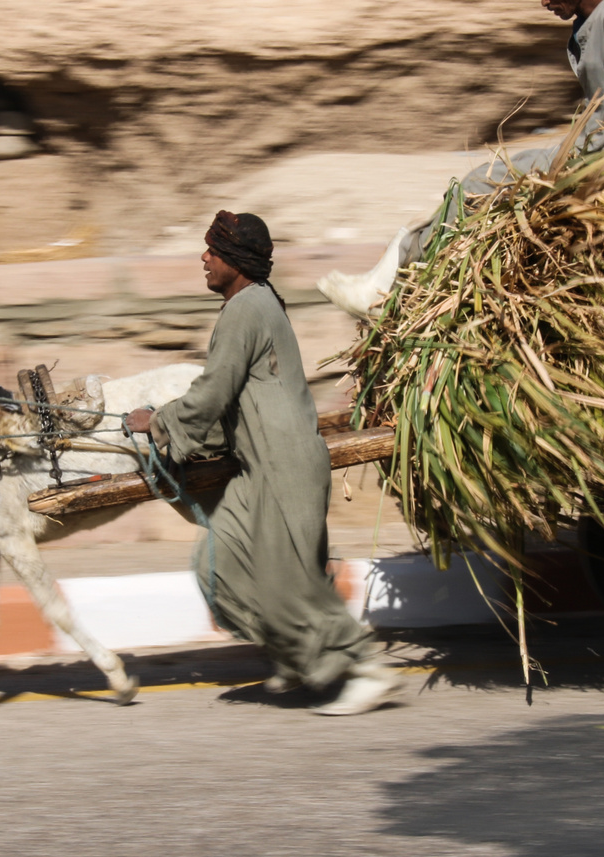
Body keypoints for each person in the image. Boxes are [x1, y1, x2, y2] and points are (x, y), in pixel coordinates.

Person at [317, 0, 604, 318]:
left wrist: (579, 167)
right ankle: (392, 271)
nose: (544, 2)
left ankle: (384, 289)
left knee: (482, 184)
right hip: (593, 143)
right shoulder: (596, 21)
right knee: (481, 178)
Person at [126, 211, 403, 716]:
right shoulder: (251, 306)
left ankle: (364, 667)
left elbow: (213, 392)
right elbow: (233, 402)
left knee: (289, 585)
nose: (203, 258)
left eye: (212, 249)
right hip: (256, 470)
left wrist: (158, 422)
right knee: (217, 562)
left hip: (284, 466)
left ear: (235, 259)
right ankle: (296, 655)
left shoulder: (247, 309)